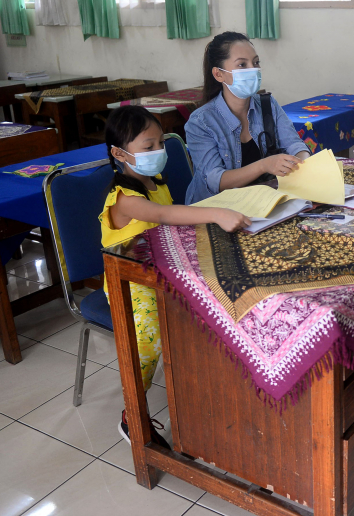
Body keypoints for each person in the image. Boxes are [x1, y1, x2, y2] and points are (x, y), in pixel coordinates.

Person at [100, 105, 251, 445]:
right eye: (147, 147)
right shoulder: (124, 198)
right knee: (151, 333)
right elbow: (165, 215)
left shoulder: (156, 182)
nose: (158, 152)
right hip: (130, 283)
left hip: (163, 271)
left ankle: (204, 391)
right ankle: (132, 412)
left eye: (160, 144)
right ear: (118, 153)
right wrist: (216, 213)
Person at [185, 31, 311, 204]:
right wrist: (264, 165)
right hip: (215, 210)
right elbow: (216, 181)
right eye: (242, 65)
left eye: (256, 62)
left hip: (261, 203)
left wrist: (303, 162)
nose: (253, 69)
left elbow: (294, 144)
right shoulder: (200, 122)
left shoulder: (268, 104)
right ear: (218, 74)